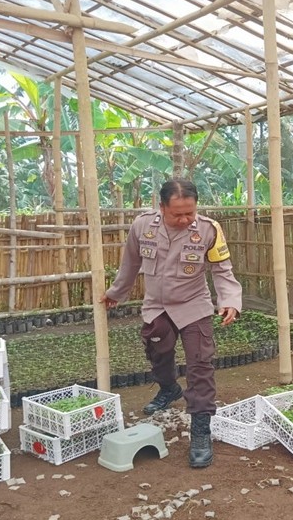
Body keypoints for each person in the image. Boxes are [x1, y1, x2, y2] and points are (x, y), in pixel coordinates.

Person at [101, 178, 242, 469]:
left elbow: (222, 270)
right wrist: (116, 292)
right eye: (177, 213)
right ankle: (168, 388)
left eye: (189, 212)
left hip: (194, 306)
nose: (184, 219)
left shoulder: (208, 230)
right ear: (161, 206)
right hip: (157, 306)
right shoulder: (141, 226)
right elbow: (130, 264)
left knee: (200, 365)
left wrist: (229, 301)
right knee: (158, 353)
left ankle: (201, 430)